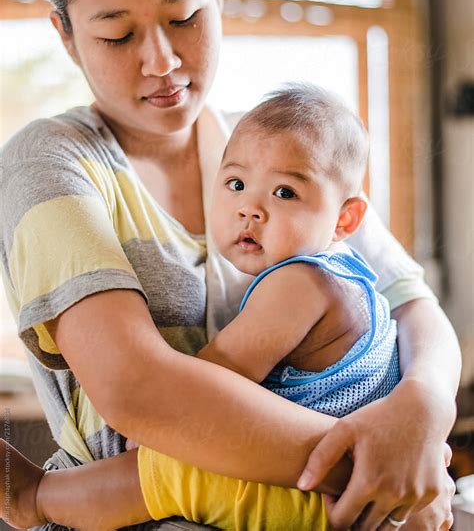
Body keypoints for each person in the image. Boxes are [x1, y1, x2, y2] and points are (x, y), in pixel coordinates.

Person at [0, 0, 459, 530]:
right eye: (117, 34)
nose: (160, 60)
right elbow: (138, 390)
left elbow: (416, 310)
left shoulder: (279, 149)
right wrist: (376, 472)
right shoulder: (52, 162)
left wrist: (423, 407)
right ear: (66, 33)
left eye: (184, 16)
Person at [1, 84, 405, 530]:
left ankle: (39, 496)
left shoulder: (300, 283)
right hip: (338, 484)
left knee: (166, 472)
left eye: (285, 193)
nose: (250, 209)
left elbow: (216, 375)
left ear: (344, 220)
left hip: (311, 495)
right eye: (236, 184)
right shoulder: (348, 274)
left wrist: (154, 433)